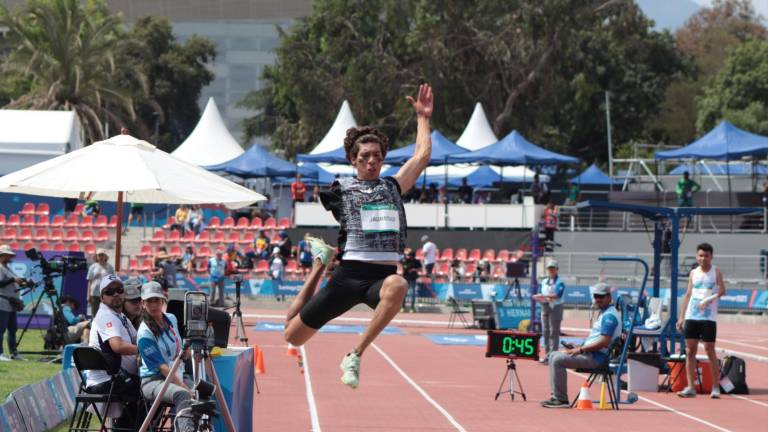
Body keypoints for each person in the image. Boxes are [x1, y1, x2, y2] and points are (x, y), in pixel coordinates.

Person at [283, 83, 433, 389]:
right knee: (292, 336)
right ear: (353, 159)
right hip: (348, 275)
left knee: (399, 284)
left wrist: (422, 117)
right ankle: (321, 264)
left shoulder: (393, 186)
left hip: (381, 277)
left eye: (377, 156)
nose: (371, 161)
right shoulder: (342, 188)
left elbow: (421, 155)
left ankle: (355, 354)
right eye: (364, 156)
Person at [541, 282, 620, 408]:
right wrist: (578, 346)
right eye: (596, 296)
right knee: (552, 355)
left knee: (557, 359)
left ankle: (561, 400)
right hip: (591, 354)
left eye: (601, 296)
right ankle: (556, 396)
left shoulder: (609, 316)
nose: (598, 299)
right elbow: (596, 339)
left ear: (609, 297)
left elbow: (604, 342)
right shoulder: (605, 313)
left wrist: (580, 349)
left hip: (597, 358)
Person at [137, 281, 195, 432]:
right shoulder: (144, 333)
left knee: (203, 391)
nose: (154, 304)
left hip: (176, 373)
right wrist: (182, 386)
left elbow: (178, 343)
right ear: (143, 304)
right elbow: (163, 368)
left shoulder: (172, 318)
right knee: (183, 394)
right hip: (153, 381)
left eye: (157, 299)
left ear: (163, 301)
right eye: (150, 301)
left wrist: (185, 350)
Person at [87, 274, 141, 424]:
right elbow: (118, 346)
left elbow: (139, 340)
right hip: (107, 382)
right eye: (110, 292)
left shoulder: (120, 316)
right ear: (102, 298)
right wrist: (144, 350)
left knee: (150, 385)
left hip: (115, 379)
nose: (116, 294)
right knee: (151, 389)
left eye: (119, 289)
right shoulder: (106, 316)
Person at [675, 242, 726, 399]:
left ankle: (716, 387)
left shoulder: (715, 272)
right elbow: (688, 295)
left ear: (711, 257)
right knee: (690, 351)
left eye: (706, 256)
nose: (703, 258)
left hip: (708, 317)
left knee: (710, 350)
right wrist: (682, 317)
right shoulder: (693, 273)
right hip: (692, 316)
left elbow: (722, 291)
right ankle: (691, 387)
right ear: (697, 256)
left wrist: (708, 300)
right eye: (701, 255)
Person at [533, 259, 565, 363]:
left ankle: (553, 356)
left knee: (554, 332)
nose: (551, 270)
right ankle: (547, 355)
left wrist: (543, 296)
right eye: (549, 268)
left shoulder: (560, 282)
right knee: (545, 331)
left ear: (557, 269)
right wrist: (538, 297)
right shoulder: (543, 282)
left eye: (553, 268)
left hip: (556, 307)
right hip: (545, 306)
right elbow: (539, 293)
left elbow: (558, 295)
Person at [0, 245, 24, 361]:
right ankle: (0, 353)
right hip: (2, 302)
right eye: (8, 255)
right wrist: (13, 280)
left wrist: (22, 282)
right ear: (2, 255)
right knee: (1, 329)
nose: (10, 257)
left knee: (13, 329)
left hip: (11, 304)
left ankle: (14, 353)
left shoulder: (8, 268)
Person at [87, 249, 115, 316]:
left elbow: (112, 281)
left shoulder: (110, 267)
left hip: (106, 293)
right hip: (94, 293)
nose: (101, 257)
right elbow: (89, 281)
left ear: (105, 256)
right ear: (96, 256)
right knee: (94, 313)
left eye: (102, 255)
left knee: (106, 312)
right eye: (99, 255)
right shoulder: (92, 267)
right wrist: (88, 295)